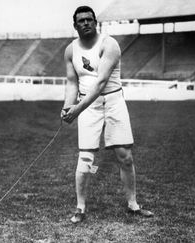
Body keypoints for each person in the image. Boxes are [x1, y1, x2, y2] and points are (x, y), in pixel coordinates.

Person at [61, 6, 154, 224]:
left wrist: (77, 109)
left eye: (89, 20)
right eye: (81, 21)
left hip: (113, 101)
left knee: (125, 156)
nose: (86, 23)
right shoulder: (70, 51)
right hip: (88, 106)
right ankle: (80, 208)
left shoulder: (109, 44)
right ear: (75, 26)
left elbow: (101, 82)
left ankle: (133, 204)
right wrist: (67, 107)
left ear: (96, 22)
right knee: (85, 159)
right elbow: (72, 82)